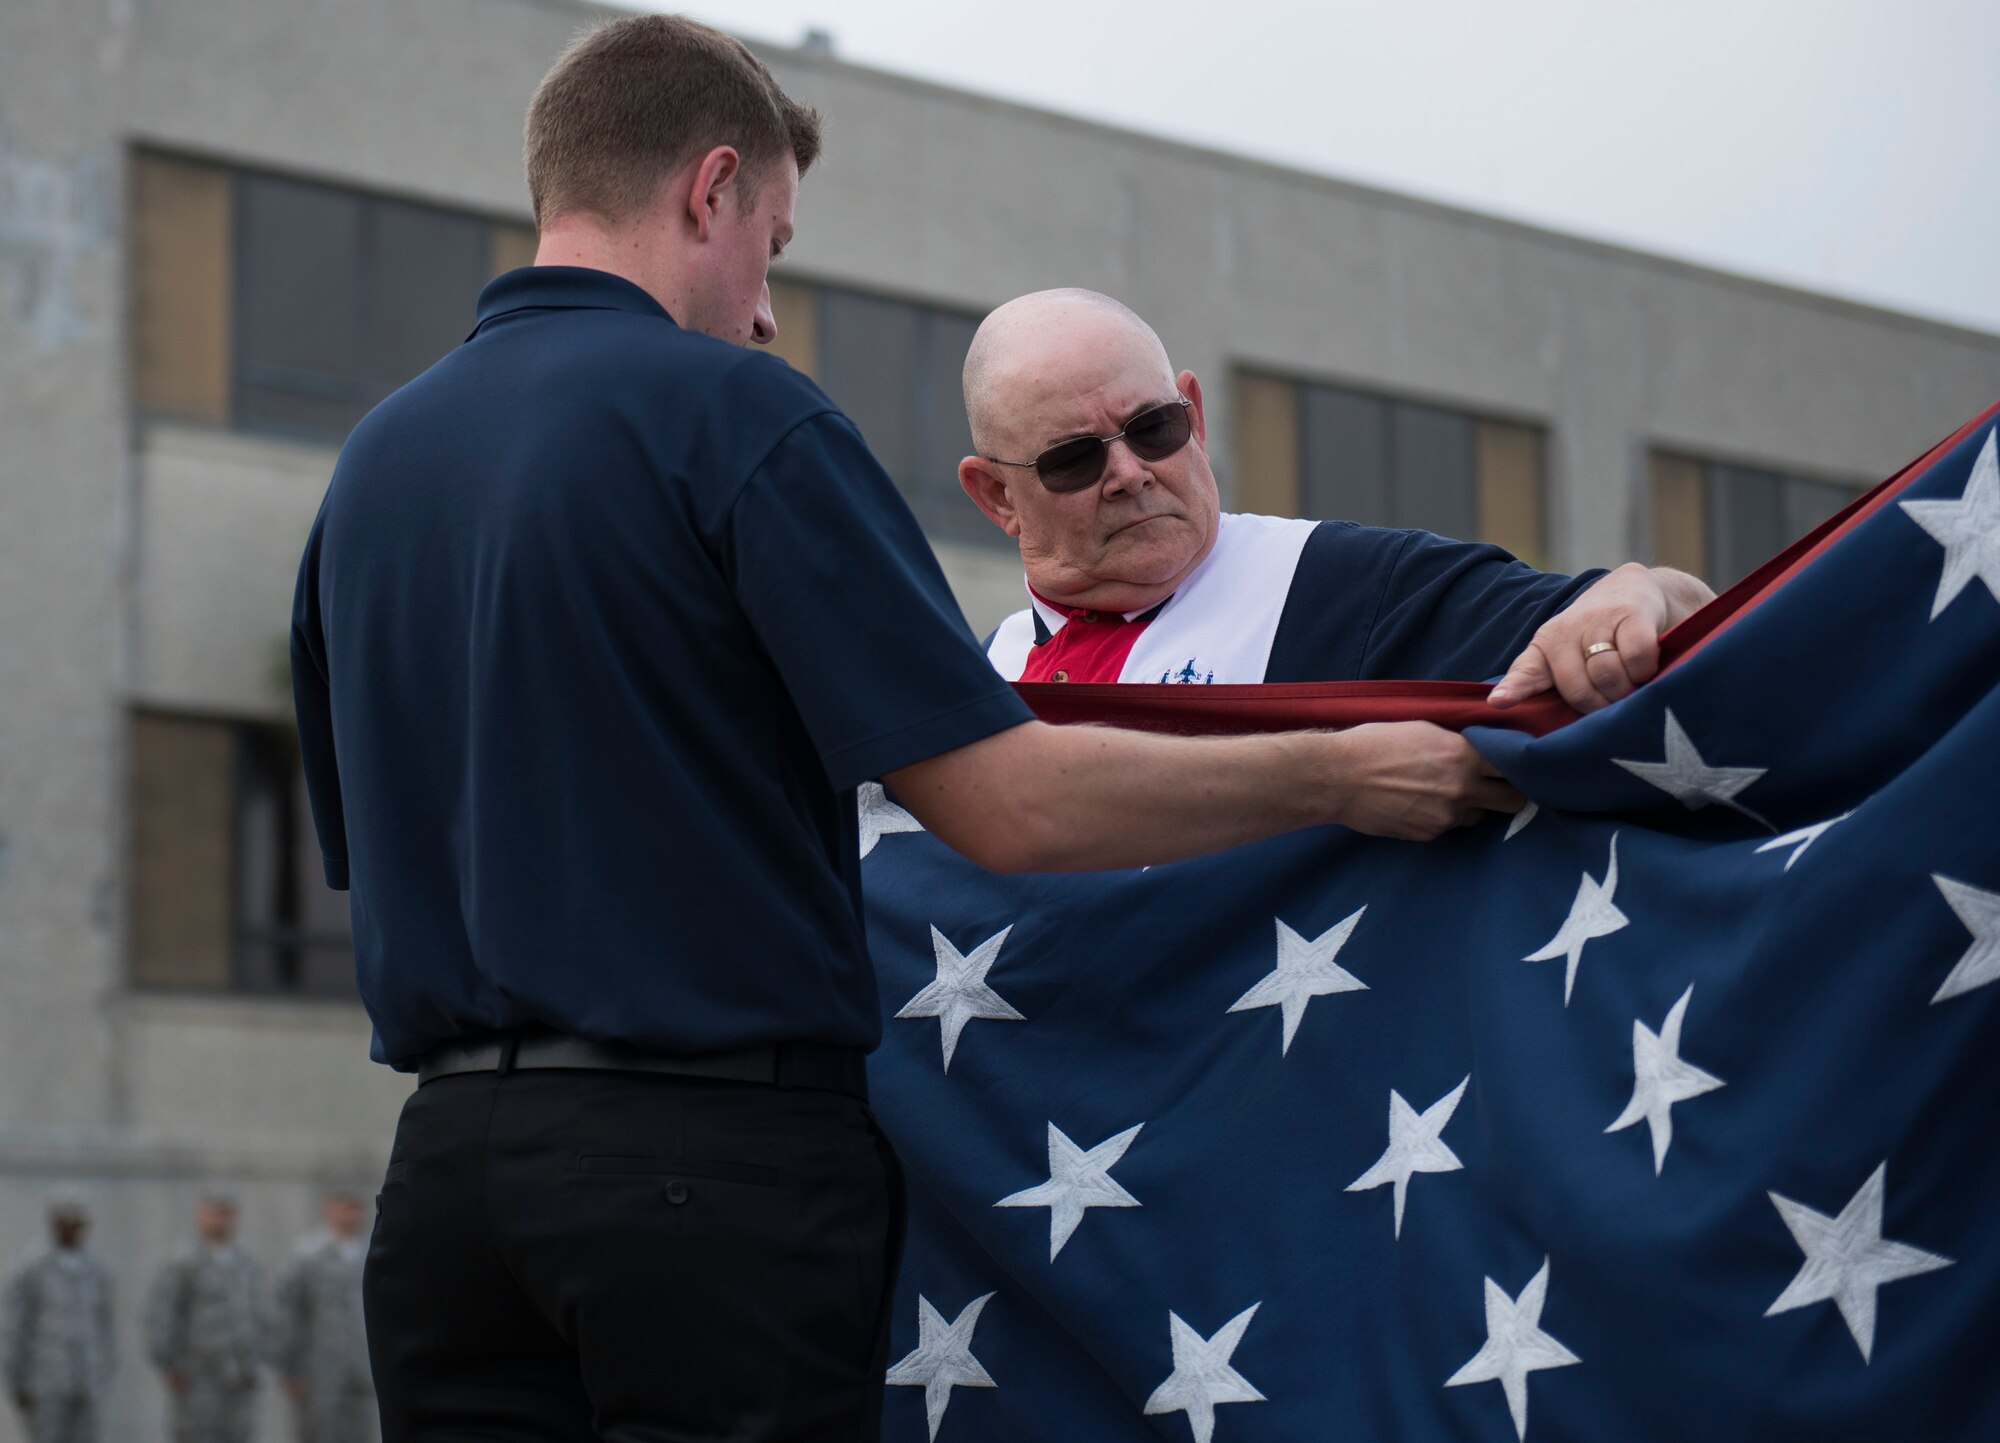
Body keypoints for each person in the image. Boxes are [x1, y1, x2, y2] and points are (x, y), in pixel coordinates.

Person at [290, 17, 1533, 1442]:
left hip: (441, 1194)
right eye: (776, 241)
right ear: (712, 192)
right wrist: (1343, 769)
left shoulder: (369, 471)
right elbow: (1006, 803)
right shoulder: (737, 415)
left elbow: (377, 848)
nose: (764, 306)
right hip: (704, 1186)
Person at [958, 288, 1713, 697]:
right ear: (997, 497)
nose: (1129, 472)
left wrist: (1647, 595)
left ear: (1196, 413)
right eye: (1074, 460)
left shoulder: (1338, 582)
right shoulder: (975, 677)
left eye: (1154, 427)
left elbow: (1669, 616)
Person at [145, 1193, 262, 1443]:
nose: (222, 1220)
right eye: (216, 1213)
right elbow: (162, 1312)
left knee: (240, 1434)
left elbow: (257, 1311)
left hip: (239, 1373)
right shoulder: (184, 1260)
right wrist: (169, 1363)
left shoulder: (246, 1261)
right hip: (198, 1375)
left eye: (227, 1214)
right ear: (201, 1215)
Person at [2, 1198, 114, 1443]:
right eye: (66, 1223)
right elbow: (15, 1325)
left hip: (85, 1379)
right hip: (45, 1380)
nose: (71, 1229)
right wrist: (16, 1378)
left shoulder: (93, 1270)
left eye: (77, 1223)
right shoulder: (33, 1267)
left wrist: (104, 1369)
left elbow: (105, 1325)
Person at [271, 1192, 373, 1443]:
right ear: (330, 1208)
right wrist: (289, 1367)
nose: (352, 1214)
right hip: (319, 1372)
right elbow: (287, 1311)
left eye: (357, 1208)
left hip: (362, 1370)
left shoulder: (372, 1253)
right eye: (346, 1207)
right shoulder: (308, 1256)